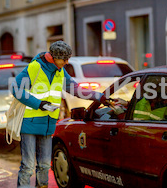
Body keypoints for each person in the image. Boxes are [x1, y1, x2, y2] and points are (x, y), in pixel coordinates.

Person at [11, 41, 108, 188]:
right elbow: (16, 88)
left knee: (44, 165)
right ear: (54, 57)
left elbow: (75, 89)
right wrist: (39, 104)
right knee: (28, 166)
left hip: (48, 123)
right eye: (64, 59)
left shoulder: (60, 71)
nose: (67, 62)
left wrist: (100, 97)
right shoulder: (35, 67)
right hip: (30, 123)